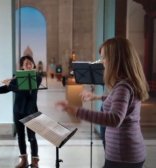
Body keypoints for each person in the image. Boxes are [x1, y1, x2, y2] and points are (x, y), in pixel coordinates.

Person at [56, 37, 149, 168]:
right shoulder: (127, 83)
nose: (102, 62)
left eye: (104, 57)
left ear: (116, 60)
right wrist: (98, 97)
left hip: (123, 156)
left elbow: (114, 119)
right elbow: (123, 103)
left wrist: (76, 111)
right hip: (127, 153)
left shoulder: (123, 87)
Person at [0, 55, 42, 168]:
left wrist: (10, 84)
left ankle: (35, 162)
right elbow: (7, 89)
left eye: (30, 63)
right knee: (20, 136)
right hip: (18, 110)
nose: (28, 65)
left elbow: (23, 91)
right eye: (26, 64)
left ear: (33, 64)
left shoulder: (36, 77)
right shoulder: (16, 77)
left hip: (31, 111)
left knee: (32, 137)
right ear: (22, 67)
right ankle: (23, 160)